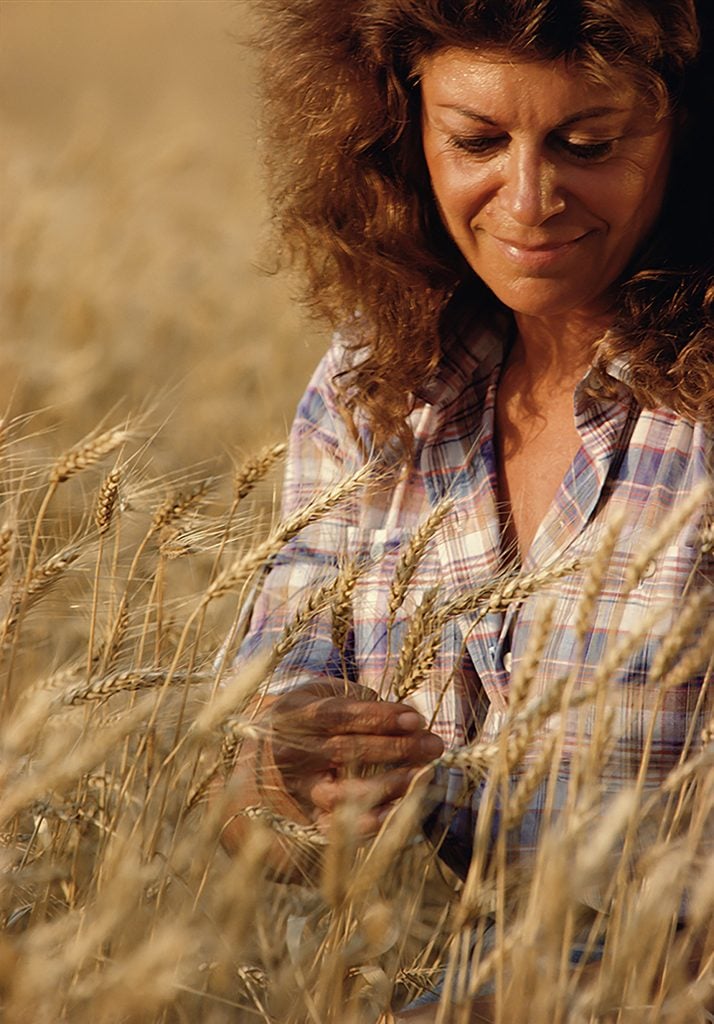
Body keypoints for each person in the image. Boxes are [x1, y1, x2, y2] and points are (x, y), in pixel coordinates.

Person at [219, 1, 713, 1019]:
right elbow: (246, 798)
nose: (528, 199)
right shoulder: (376, 385)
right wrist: (288, 774)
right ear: (399, 129)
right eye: (476, 141)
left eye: (589, 143)